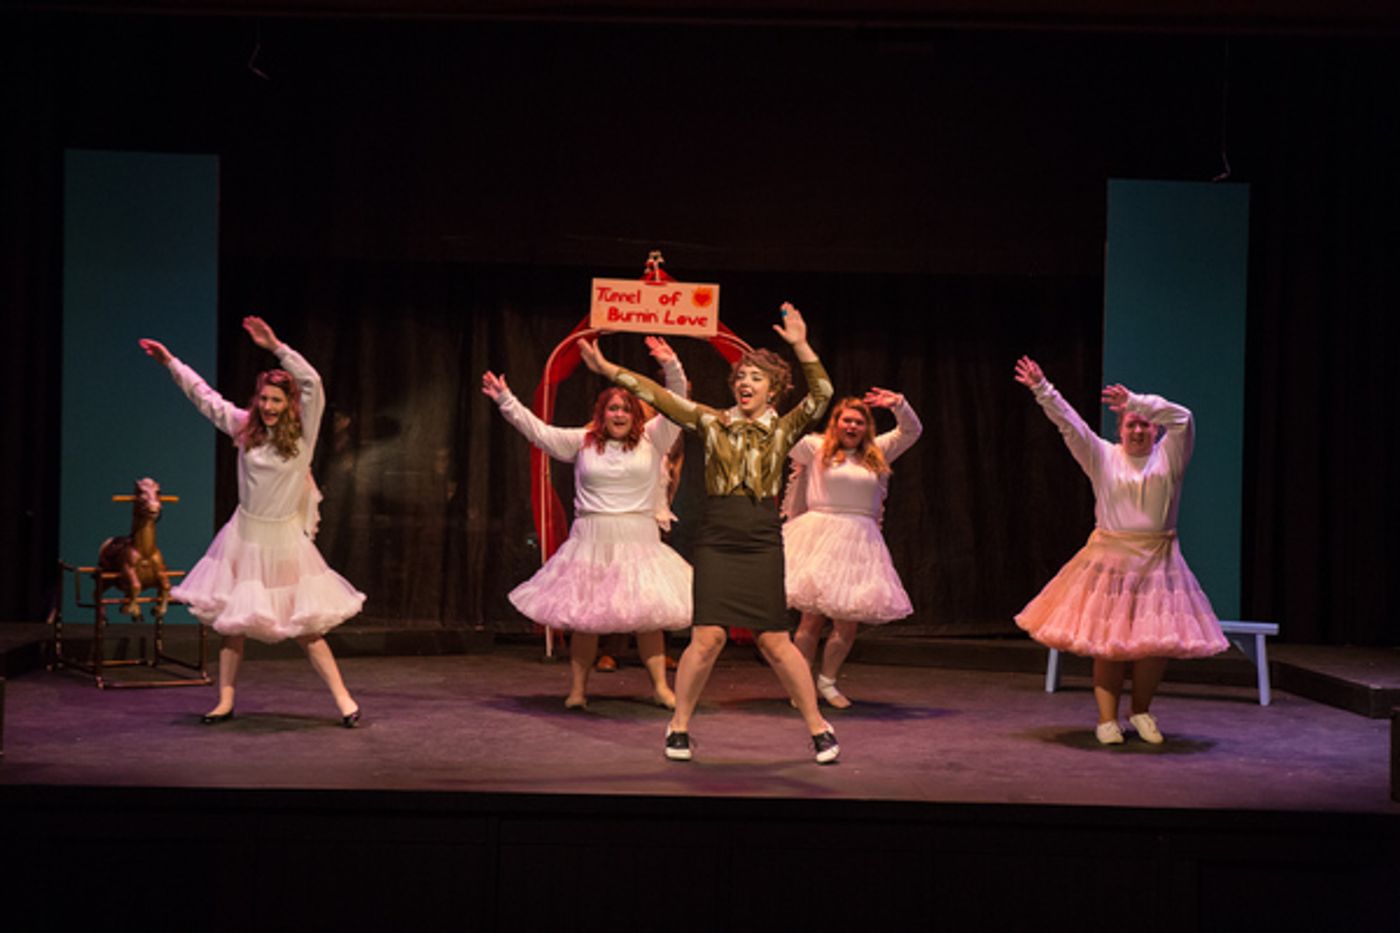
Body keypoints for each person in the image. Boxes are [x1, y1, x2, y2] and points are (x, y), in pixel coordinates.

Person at [579, 303, 840, 764]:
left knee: (775, 640)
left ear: (775, 389)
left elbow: (822, 393)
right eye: (741, 376)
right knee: (708, 638)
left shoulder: (783, 428)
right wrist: (610, 369)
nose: (745, 383)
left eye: (757, 378)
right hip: (718, 538)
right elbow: (660, 397)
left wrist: (799, 344)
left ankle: (818, 727)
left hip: (761, 539)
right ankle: (678, 725)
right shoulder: (710, 422)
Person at [140, 317, 365, 726]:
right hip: (243, 536)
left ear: (289, 404)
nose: (268, 407)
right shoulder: (245, 427)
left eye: (277, 401)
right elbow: (204, 397)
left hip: (282, 541)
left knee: (307, 628)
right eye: (264, 399)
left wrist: (277, 346)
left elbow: (312, 382)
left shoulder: (302, 437)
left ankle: (344, 700)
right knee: (233, 625)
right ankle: (225, 701)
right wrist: (171, 363)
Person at [1013, 356, 1227, 745]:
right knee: (1109, 645)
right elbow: (1071, 426)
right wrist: (1043, 389)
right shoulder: (1103, 456)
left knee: (1152, 646)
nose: (1139, 429)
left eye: (1145, 423)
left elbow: (1184, 419)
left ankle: (1142, 711)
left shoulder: (1169, 457)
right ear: (1120, 430)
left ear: (1154, 429)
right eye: (1131, 423)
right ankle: (1107, 719)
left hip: (1158, 563)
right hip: (1110, 561)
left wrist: (1139, 402)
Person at [482, 337, 691, 709]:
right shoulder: (582, 441)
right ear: (602, 412)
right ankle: (578, 689)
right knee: (585, 618)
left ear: (637, 415)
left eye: (626, 408)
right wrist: (506, 400)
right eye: (612, 408)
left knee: (648, 619)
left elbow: (676, 403)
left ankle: (660, 686)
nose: (619, 414)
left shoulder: (654, 439)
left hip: (638, 540)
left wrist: (672, 366)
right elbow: (539, 433)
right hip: (591, 539)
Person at [783, 389, 922, 708]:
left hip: (860, 541)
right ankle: (801, 683)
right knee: (810, 619)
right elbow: (783, 434)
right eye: (846, 420)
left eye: (859, 422)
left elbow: (912, 430)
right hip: (820, 535)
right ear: (835, 423)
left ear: (866, 427)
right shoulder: (815, 448)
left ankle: (828, 683)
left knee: (848, 620)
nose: (852, 426)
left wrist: (900, 404)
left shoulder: (878, 450)